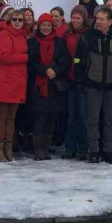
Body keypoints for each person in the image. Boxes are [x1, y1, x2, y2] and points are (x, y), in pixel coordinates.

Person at [75, 7, 112, 163]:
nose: (99, 21)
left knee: (110, 119)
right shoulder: (87, 37)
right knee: (92, 119)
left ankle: (108, 150)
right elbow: (77, 60)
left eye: (102, 19)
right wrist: (81, 80)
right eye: (97, 19)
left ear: (110, 21)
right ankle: (93, 150)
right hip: (92, 84)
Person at [26, 13, 71, 161]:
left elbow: (65, 60)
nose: (46, 28)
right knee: (40, 116)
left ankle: (46, 147)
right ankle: (38, 149)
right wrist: (44, 70)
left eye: (48, 25)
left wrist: (55, 70)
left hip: (54, 85)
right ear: (39, 26)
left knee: (52, 116)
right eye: (43, 25)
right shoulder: (32, 42)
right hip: (38, 85)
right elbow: (30, 63)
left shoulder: (59, 42)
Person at [0, 9, 28, 161]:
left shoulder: (22, 36)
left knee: (11, 118)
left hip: (17, 82)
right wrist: (24, 57)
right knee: (1, 117)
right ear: (9, 21)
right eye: (15, 19)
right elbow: (3, 56)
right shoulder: (3, 34)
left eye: (20, 19)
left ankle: (8, 147)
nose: (17, 22)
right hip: (3, 81)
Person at [62, 6, 90, 160]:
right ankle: (70, 147)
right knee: (72, 116)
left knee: (83, 115)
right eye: (73, 17)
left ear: (84, 19)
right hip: (70, 79)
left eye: (78, 18)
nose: (75, 20)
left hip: (84, 80)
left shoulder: (88, 34)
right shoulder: (68, 34)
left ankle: (83, 148)